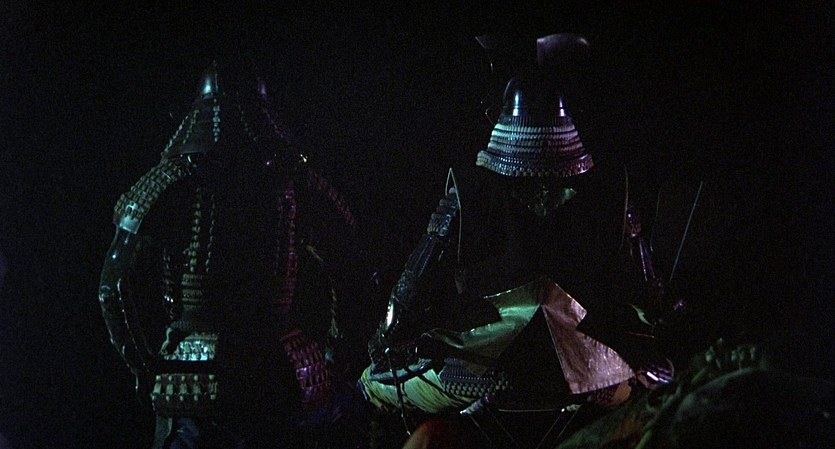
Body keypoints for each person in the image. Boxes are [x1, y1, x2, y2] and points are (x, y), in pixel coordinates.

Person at [359, 34, 673, 448]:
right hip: (592, 372)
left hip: (483, 373)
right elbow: (649, 295)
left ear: (505, 117)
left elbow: (408, 293)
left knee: (372, 384)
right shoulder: (614, 191)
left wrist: (385, 343)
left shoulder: (467, 193)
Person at [98, 61, 370, 449]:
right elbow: (354, 272)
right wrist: (335, 358)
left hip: (194, 373)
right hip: (279, 369)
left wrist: (144, 369)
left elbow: (113, 285)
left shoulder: (174, 181)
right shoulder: (295, 183)